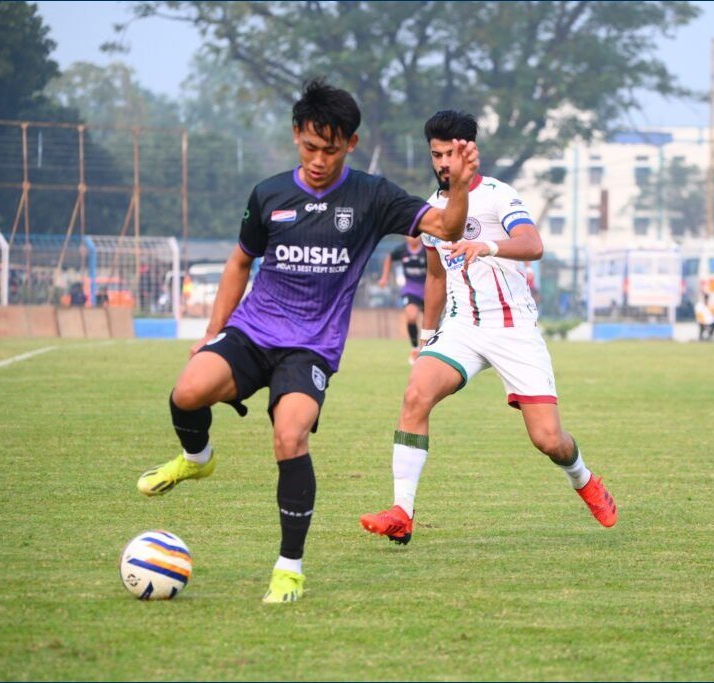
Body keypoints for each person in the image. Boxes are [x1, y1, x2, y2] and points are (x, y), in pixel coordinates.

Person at [134, 79, 478, 604]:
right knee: (186, 391)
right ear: (297, 135)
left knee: (290, 436)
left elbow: (449, 229)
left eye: (331, 149)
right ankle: (198, 458)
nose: (319, 160)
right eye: (310, 147)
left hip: (311, 347)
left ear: (351, 145)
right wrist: (211, 335)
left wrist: (457, 182)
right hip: (252, 330)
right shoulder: (270, 194)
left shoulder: (372, 195)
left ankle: (288, 568)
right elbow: (239, 262)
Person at [359, 110, 617, 546]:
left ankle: (583, 477)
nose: (442, 163)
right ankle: (402, 512)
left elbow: (534, 245)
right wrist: (425, 340)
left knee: (548, 439)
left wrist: (489, 244)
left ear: (469, 153)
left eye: (449, 153)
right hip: (462, 327)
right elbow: (436, 277)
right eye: (436, 154)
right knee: (415, 395)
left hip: (513, 328)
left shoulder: (499, 196)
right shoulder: (433, 209)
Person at [378, 234, 427, 364]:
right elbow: (389, 257)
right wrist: (384, 277)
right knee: (411, 316)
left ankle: (432, 351)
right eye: (411, 235)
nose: (414, 237)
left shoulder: (427, 250)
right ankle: (415, 349)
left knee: (431, 323)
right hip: (411, 290)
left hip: (428, 290)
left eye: (417, 235)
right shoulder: (402, 250)